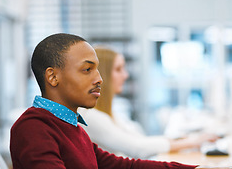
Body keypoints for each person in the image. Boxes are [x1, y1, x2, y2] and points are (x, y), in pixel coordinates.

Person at [10, 33, 232, 169]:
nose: (99, 79)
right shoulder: (33, 128)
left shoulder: (69, 124)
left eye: (98, 70)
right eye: (87, 70)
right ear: (52, 76)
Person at [79, 46, 219, 159]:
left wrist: (180, 140)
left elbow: (139, 139)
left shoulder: (110, 112)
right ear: (102, 75)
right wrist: (191, 142)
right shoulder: (90, 116)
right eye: (118, 69)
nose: (125, 75)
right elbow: (137, 148)